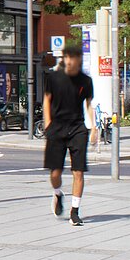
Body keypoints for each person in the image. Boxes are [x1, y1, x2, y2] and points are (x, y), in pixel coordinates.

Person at [43, 43, 96, 226]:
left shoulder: (86, 81)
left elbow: (89, 105)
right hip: (57, 127)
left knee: (78, 171)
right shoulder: (54, 78)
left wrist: (94, 126)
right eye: (67, 58)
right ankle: (58, 193)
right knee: (55, 172)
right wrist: (48, 123)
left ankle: (75, 211)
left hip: (77, 128)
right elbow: (47, 100)